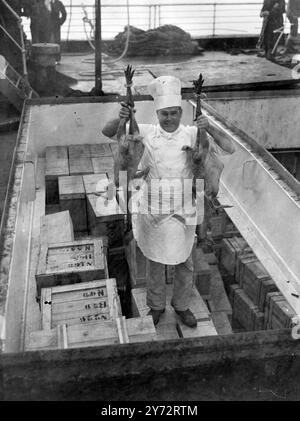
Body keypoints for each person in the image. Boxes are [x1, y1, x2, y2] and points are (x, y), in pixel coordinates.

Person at [102, 75, 235, 327]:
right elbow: (108, 132)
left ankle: (182, 306)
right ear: (158, 113)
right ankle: (156, 306)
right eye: (165, 114)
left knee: (185, 261)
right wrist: (121, 116)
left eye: (174, 113)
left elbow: (229, 148)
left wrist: (211, 127)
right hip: (154, 206)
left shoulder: (194, 132)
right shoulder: (147, 133)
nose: (170, 118)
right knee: (155, 261)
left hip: (184, 208)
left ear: (181, 112)